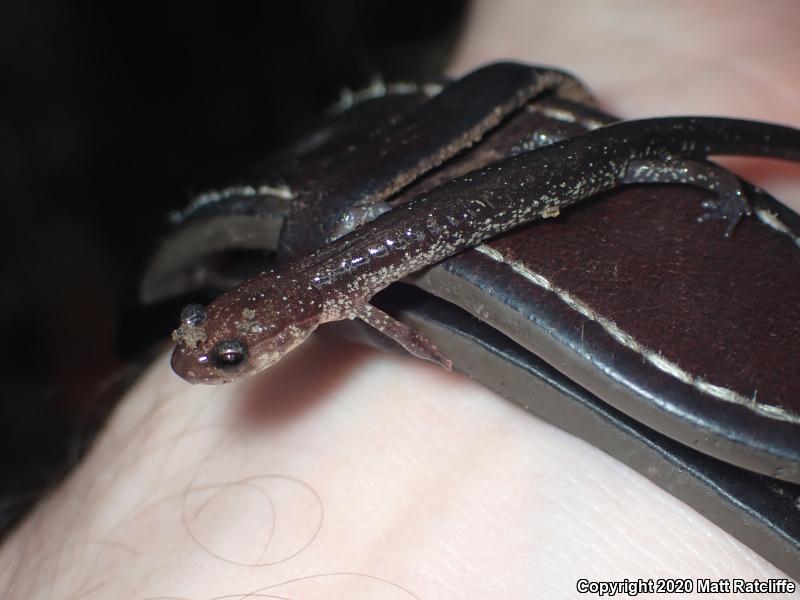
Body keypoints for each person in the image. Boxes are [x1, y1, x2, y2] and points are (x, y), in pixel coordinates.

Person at [2, 2, 798, 597]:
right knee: (641, 156)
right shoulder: (328, 287)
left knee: (655, 163)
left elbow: (401, 327)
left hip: (589, 161)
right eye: (212, 341)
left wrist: (433, 354)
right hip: (564, 143)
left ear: (277, 322)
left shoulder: (333, 295)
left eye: (224, 351)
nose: (209, 356)